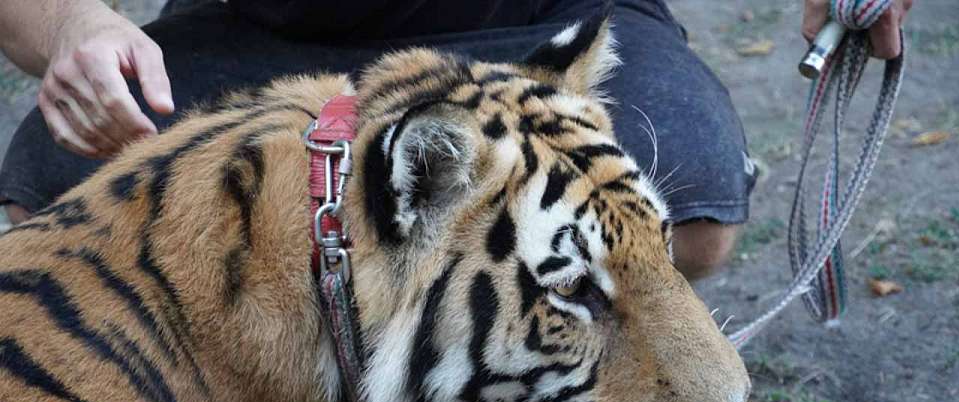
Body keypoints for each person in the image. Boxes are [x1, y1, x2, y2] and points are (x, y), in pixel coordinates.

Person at [0, 0, 911, 279]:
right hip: (262, 32)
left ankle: (535, 386)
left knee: (691, 203)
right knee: (45, 210)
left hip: (554, 21)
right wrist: (73, 31)